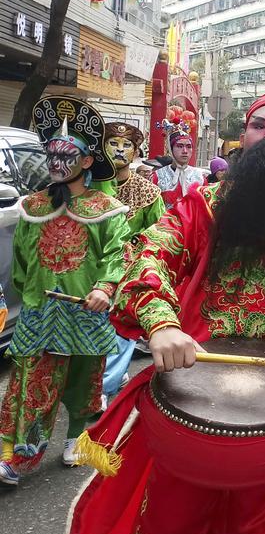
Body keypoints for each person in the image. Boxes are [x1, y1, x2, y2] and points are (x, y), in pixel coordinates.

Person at [68, 83, 265, 534]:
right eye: (260, 125)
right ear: (244, 137)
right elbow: (148, 256)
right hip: (193, 376)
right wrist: (162, 323)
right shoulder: (202, 204)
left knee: (253, 533)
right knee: (173, 524)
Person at [0, 97, 129, 486]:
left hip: (85, 313)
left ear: (87, 162)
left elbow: (116, 257)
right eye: (51, 154)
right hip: (40, 314)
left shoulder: (107, 209)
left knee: (82, 382)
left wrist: (106, 288)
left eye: (66, 154)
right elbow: (20, 263)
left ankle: (76, 438)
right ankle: (15, 456)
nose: (56, 162)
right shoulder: (32, 207)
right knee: (27, 386)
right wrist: (29, 295)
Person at [99, 122, 165, 406]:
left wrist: (135, 254)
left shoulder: (147, 192)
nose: (120, 150)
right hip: (93, 269)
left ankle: (104, 386)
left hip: (127, 270)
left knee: (120, 328)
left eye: (126, 146)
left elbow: (160, 234)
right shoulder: (90, 185)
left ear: (136, 151)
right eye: (113, 144)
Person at [151, 119, 205, 209]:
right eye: (179, 146)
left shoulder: (200, 177)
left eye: (189, 147)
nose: (185, 151)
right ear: (170, 149)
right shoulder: (157, 177)